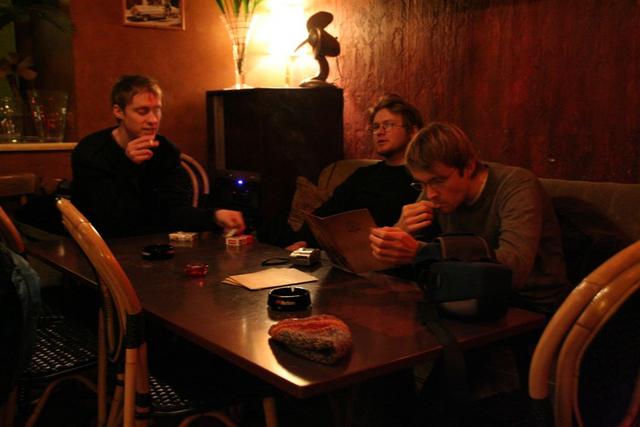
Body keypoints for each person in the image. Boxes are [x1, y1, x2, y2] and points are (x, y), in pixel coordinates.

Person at [369, 122, 567, 313]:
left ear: (469, 167)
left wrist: (421, 252)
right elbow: (404, 253)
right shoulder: (435, 191)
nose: (430, 194)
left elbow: (513, 272)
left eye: (439, 181)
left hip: (530, 305)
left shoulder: (516, 186)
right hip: (468, 296)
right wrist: (399, 232)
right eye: (422, 184)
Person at [71, 75, 244, 237]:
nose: (153, 120)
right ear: (118, 111)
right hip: (106, 245)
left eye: (157, 110)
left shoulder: (165, 150)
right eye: (142, 111)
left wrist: (215, 216)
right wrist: (127, 165)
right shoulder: (91, 150)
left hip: (156, 242)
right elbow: (102, 218)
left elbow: (175, 212)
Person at [263, 93, 426, 250]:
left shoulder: (423, 178)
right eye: (376, 127)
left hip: (390, 255)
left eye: (388, 125)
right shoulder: (363, 175)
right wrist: (303, 241)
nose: (380, 132)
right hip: (341, 253)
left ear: (413, 131)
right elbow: (324, 215)